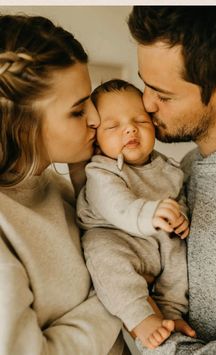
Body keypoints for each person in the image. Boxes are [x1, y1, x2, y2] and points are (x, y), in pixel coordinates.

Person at [0, 14, 131, 355]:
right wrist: (123, 295)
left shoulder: (60, 185)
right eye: (77, 111)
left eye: (90, 100)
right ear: (20, 126)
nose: (96, 119)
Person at [127, 6, 216, 354]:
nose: (146, 104)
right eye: (144, 83)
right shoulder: (182, 169)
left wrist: (161, 346)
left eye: (164, 94)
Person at [76, 79, 196, 350]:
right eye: (113, 126)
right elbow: (115, 204)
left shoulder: (169, 168)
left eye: (140, 121)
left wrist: (180, 218)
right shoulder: (101, 171)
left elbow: (179, 197)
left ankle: (172, 312)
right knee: (103, 256)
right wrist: (149, 213)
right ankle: (139, 317)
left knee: (179, 254)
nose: (129, 128)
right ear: (96, 137)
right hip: (116, 235)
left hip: (155, 240)